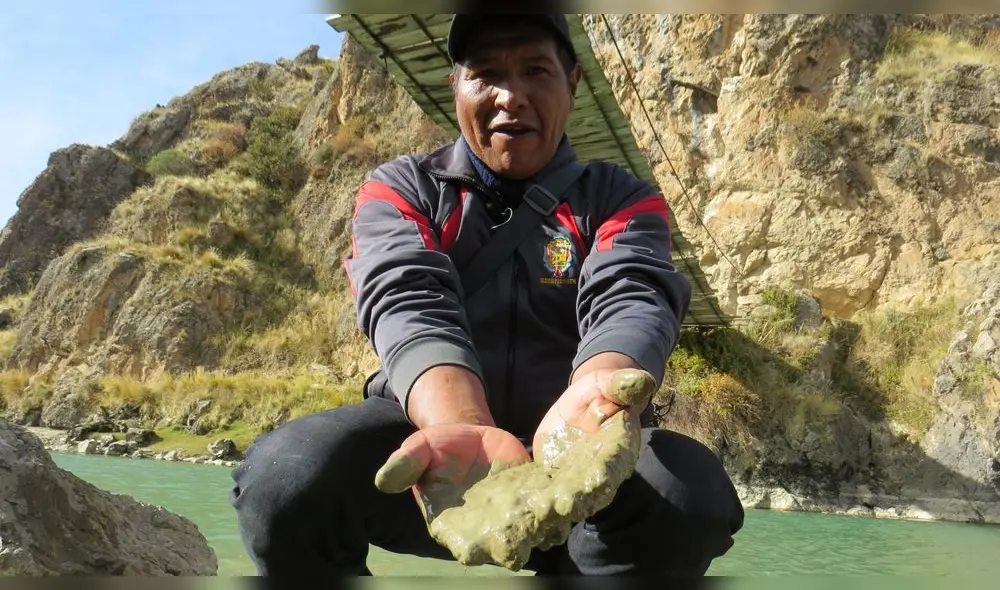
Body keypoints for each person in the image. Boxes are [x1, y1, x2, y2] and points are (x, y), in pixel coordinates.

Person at [230, 12, 744, 578]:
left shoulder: (622, 197)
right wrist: (460, 423)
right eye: (486, 73)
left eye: (535, 71)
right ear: (455, 86)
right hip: (437, 451)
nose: (510, 96)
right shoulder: (400, 188)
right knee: (285, 478)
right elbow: (405, 297)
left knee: (689, 498)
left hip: (575, 457)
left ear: (571, 85)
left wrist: (599, 390)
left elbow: (632, 292)